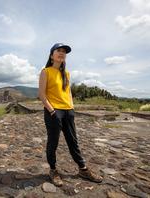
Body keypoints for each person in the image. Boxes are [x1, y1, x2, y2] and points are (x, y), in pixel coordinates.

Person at [38, 43, 103, 187]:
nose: (62, 53)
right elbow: (41, 95)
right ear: (51, 55)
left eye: (64, 52)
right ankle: (53, 170)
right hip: (54, 111)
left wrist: (71, 107)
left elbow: (68, 93)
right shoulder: (46, 71)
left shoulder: (66, 74)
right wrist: (52, 111)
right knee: (53, 142)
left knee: (73, 141)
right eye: (58, 51)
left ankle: (83, 169)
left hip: (68, 111)